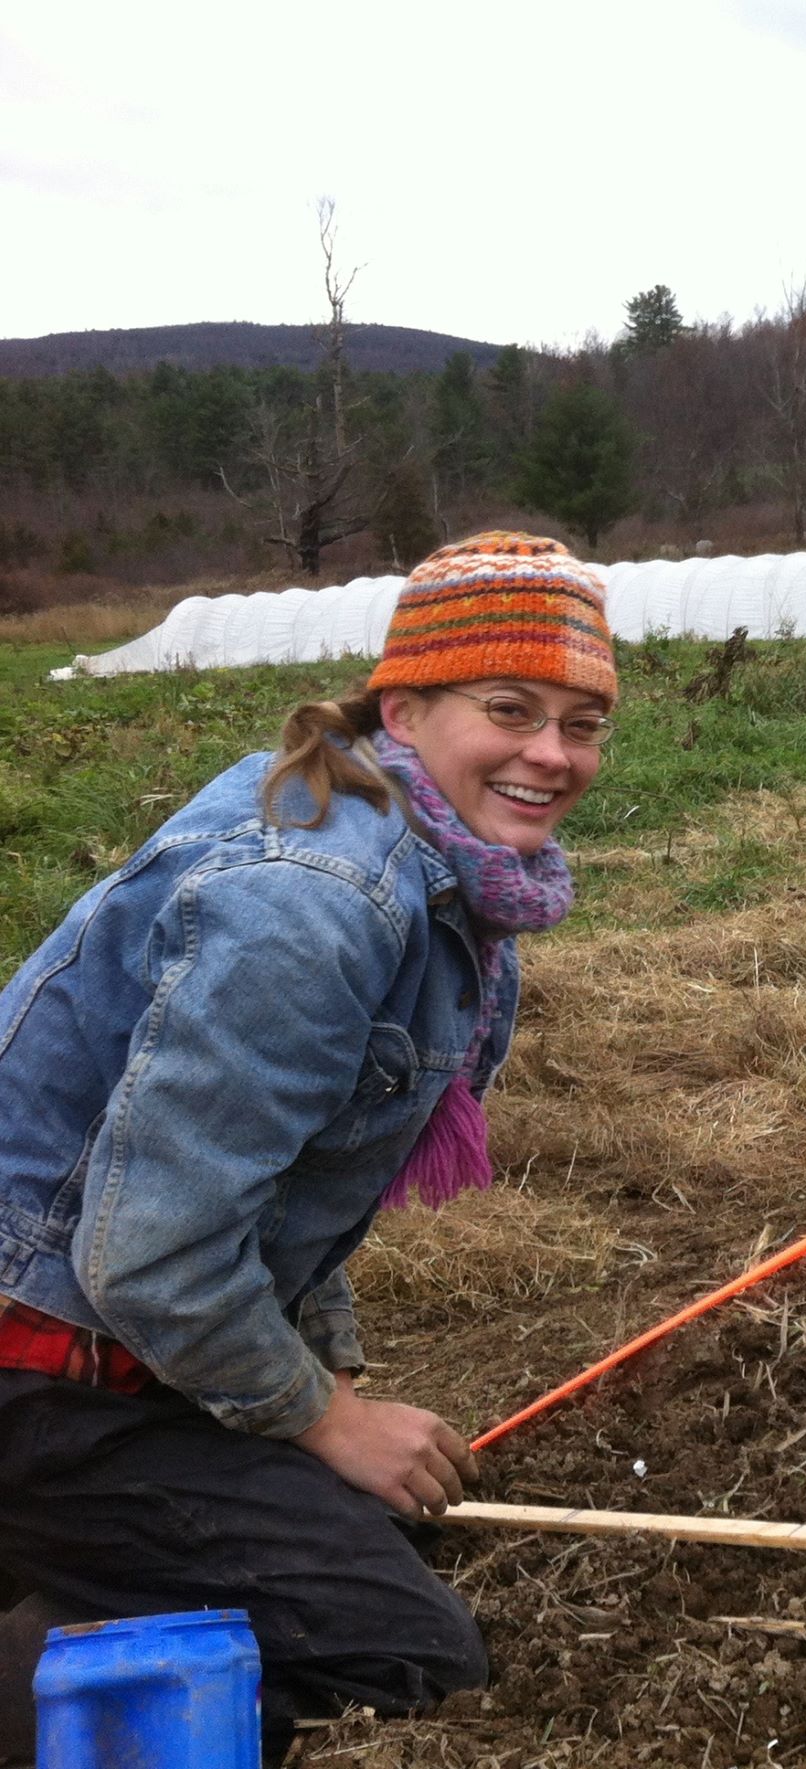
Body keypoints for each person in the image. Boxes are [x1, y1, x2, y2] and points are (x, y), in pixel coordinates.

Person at [0, 532, 618, 1763]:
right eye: (510, 708)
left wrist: (323, 1385)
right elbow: (157, 1256)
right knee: (404, 1657)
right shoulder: (315, 901)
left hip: (119, 1351)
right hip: (44, 1370)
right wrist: (327, 1417)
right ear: (406, 703)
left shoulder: (419, 857)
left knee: (389, 1545)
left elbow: (287, 1191)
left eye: (582, 720)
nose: (552, 753)